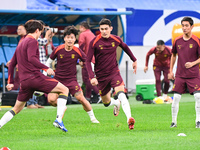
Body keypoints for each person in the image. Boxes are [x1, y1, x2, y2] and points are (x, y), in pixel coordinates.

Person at [0, 20, 69, 132]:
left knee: (17, 108)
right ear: (37, 30)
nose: (40, 35)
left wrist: (10, 82)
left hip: (25, 82)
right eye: (41, 32)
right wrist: (46, 68)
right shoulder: (32, 41)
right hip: (34, 77)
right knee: (64, 89)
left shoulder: (21, 42)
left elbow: (12, 64)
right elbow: (32, 58)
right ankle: (58, 119)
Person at [86, 18, 137, 130]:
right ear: (99, 29)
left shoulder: (116, 39)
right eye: (102, 29)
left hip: (114, 73)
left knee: (121, 93)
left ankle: (129, 119)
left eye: (106, 29)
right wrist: (92, 77)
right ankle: (116, 103)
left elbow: (125, 47)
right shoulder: (94, 42)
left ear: (111, 29)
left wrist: (134, 60)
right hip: (101, 76)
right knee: (106, 102)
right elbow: (87, 60)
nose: (104, 31)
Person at [45, 26, 99, 123]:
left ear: (75, 39)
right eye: (68, 37)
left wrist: (93, 74)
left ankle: (93, 118)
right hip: (58, 80)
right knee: (51, 100)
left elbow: (88, 62)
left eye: (72, 37)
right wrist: (47, 71)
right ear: (64, 38)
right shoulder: (58, 49)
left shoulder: (77, 50)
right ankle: (62, 107)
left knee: (81, 98)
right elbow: (48, 62)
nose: (70, 40)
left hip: (71, 80)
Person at [168, 17, 200, 128]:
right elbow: (173, 55)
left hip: (194, 74)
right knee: (176, 98)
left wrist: (193, 63)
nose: (184, 28)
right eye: (183, 25)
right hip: (180, 75)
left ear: (192, 27)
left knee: (198, 97)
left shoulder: (196, 41)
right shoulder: (177, 40)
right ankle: (173, 122)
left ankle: (198, 121)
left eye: (186, 25)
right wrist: (171, 70)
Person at [78, 21, 99, 100]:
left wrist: (80, 58)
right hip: (94, 60)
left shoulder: (83, 34)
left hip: (86, 60)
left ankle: (98, 94)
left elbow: (81, 46)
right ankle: (88, 97)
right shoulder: (92, 35)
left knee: (87, 79)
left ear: (83, 27)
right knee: (91, 78)